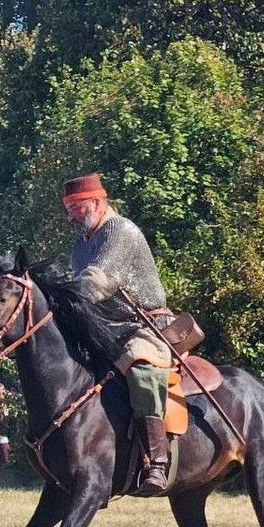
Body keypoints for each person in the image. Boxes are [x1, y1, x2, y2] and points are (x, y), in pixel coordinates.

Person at [66, 173, 173, 493]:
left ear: (98, 203)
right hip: (105, 330)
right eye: (68, 208)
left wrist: (61, 300)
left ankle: (157, 462)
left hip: (145, 327)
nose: (71, 215)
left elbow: (98, 282)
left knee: (141, 369)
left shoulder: (121, 231)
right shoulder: (79, 246)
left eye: (76, 207)